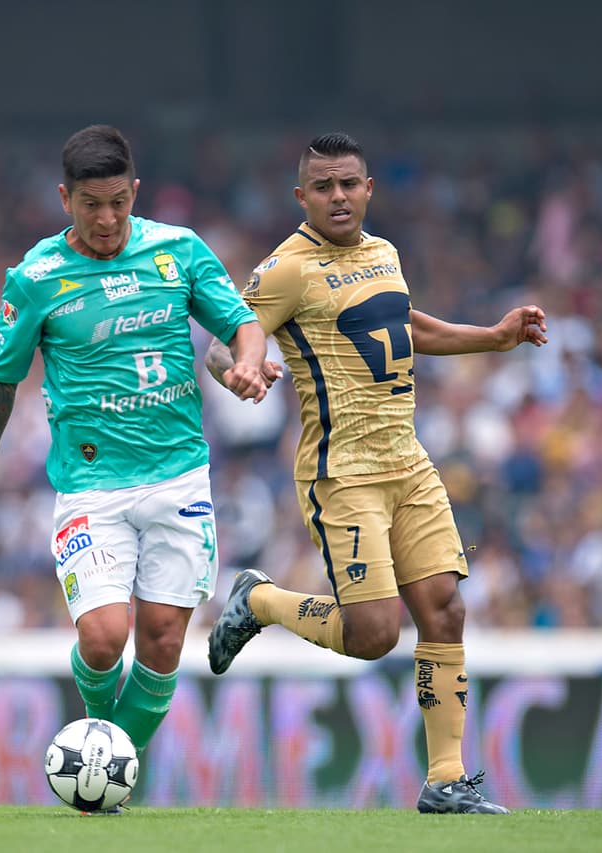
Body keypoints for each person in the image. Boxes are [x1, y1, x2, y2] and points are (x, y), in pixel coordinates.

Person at [205, 132, 548, 815]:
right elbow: (226, 342)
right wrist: (240, 369)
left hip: (408, 463)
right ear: (301, 196)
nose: (338, 196)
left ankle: (446, 779)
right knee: (374, 634)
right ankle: (260, 600)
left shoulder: (383, 253)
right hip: (343, 472)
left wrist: (493, 336)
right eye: (323, 187)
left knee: (445, 608)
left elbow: (405, 326)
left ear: (368, 189)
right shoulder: (286, 270)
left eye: (349, 184)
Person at [0, 125, 272, 800]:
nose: (106, 219)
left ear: (136, 192)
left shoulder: (178, 251)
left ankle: (102, 775)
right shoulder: (36, 278)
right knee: (102, 639)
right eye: (91, 204)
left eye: (119, 202)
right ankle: (102, 753)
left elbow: (240, 322)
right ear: (64, 198)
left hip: (179, 478)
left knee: (161, 641)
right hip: (92, 487)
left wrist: (246, 360)